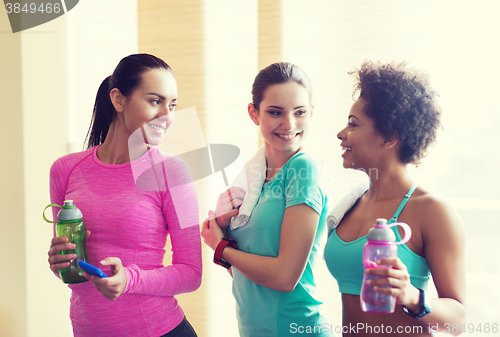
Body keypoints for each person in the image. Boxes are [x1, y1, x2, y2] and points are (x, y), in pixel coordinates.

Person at [47, 53, 202, 337]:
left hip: (160, 329)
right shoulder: (64, 170)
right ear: (119, 100)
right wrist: (59, 262)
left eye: (173, 105)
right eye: (156, 101)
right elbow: (71, 265)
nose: (167, 116)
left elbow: (192, 273)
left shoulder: (175, 173)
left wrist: (128, 279)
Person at [324, 61, 466, 336]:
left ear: (389, 137)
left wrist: (411, 295)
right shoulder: (350, 205)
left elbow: (457, 320)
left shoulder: (433, 211)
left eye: (353, 124)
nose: (341, 134)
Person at [201, 62, 334, 337]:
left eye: (299, 112)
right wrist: (222, 234)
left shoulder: (303, 169)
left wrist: (220, 247)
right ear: (254, 113)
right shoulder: (252, 176)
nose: (289, 125)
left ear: (311, 112)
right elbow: (249, 280)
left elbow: (285, 277)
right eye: (275, 112)